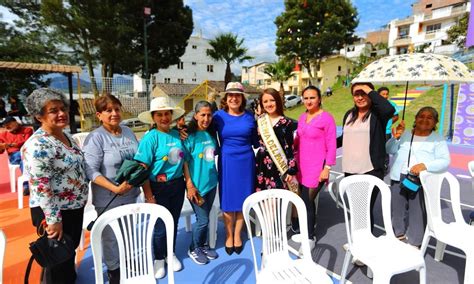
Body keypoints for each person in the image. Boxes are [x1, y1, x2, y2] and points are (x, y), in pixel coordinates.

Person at [22, 88, 88, 284]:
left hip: (73, 206)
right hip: (54, 211)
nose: (61, 113)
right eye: (53, 110)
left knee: (68, 251)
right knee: (56, 258)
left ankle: (69, 278)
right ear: (38, 116)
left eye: (63, 108)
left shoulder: (66, 135)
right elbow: (41, 186)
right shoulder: (38, 145)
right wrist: (53, 220)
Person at [83, 94, 139, 283]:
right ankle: (114, 269)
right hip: (109, 198)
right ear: (99, 115)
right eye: (108, 110)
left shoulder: (128, 132)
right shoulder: (96, 137)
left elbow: (139, 160)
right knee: (111, 237)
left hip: (131, 195)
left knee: (129, 232)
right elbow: (89, 169)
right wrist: (114, 188)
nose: (114, 113)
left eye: (117, 109)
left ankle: (130, 261)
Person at [133, 96, 186, 279]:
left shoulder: (177, 134)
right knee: (159, 226)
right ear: (153, 117)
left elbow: (183, 158)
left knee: (173, 221)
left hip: (178, 185)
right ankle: (158, 258)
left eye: (167, 114)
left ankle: (170, 253)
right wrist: (149, 195)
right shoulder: (150, 139)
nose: (164, 118)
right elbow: (143, 169)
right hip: (157, 188)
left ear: (171, 115)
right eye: (160, 114)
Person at [387, 107, 450, 248]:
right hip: (399, 176)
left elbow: (445, 161)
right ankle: (398, 234)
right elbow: (390, 150)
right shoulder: (405, 134)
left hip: (420, 179)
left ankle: (415, 242)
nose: (425, 120)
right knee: (397, 209)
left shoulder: (438, 139)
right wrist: (396, 137)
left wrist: (425, 165)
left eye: (430, 117)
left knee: (418, 211)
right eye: (421, 116)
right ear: (415, 118)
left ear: (435, 122)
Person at [337, 82, 395, 231]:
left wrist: (369, 90)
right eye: (357, 94)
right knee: (356, 208)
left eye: (364, 93)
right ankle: (358, 240)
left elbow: (389, 109)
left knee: (365, 208)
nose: (360, 97)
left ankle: (365, 243)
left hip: (370, 169)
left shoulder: (378, 114)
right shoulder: (349, 115)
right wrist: (324, 145)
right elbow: (345, 137)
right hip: (350, 169)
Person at [213, 82, 258, 255]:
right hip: (227, 161)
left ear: (242, 98)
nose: (233, 98)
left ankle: (237, 234)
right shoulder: (218, 116)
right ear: (225, 98)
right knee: (227, 201)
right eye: (230, 95)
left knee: (242, 200)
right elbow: (202, 128)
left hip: (246, 162)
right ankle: (228, 235)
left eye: (237, 95)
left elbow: (256, 141)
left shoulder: (250, 116)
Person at [295, 86, 336, 244]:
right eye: (306, 98)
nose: (308, 101)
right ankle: (306, 230)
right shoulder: (301, 117)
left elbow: (331, 144)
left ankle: (309, 237)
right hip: (302, 166)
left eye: (312, 97)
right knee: (303, 200)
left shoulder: (327, 118)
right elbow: (298, 140)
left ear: (319, 99)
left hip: (317, 167)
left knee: (307, 200)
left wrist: (327, 168)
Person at [182, 101, 219, 265]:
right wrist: (190, 185)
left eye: (209, 114)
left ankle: (203, 245)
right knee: (202, 220)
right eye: (202, 114)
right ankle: (193, 248)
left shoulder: (211, 134)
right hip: (197, 187)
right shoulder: (188, 137)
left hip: (211, 183)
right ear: (195, 115)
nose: (206, 118)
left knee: (206, 218)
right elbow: (184, 164)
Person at [255, 88, 297, 192]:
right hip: (262, 165)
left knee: (278, 197)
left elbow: (290, 148)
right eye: (265, 101)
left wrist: (291, 171)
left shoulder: (286, 122)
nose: (269, 104)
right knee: (264, 198)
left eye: (272, 100)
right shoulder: (260, 121)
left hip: (280, 166)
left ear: (278, 101)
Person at [378, 87, 399, 174]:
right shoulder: (374, 105)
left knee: (385, 149)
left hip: (386, 131)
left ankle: (385, 165)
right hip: (376, 131)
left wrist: (389, 122)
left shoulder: (392, 105)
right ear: (378, 95)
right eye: (383, 94)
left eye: (387, 94)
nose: (385, 96)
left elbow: (396, 116)